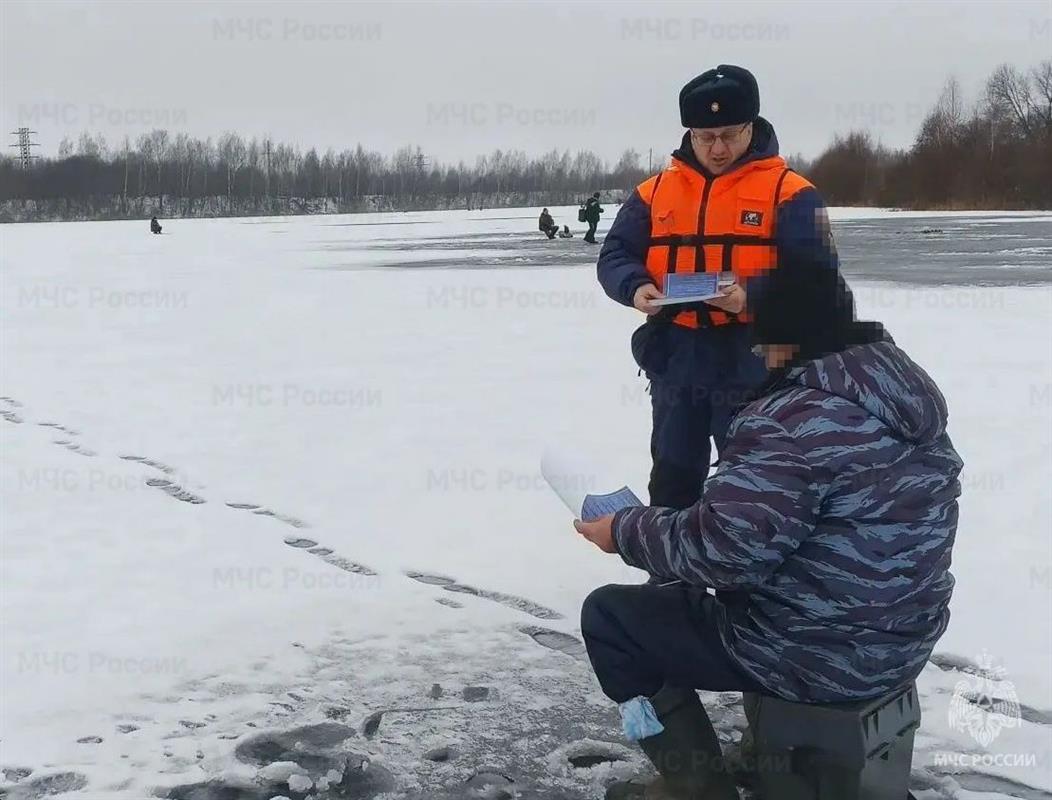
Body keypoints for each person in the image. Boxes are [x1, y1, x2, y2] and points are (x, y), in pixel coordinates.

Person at [574, 257, 963, 799]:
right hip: (904, 641)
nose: (756, 349)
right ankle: (771, 753)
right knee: (751, 593)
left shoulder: (789, 420)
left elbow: (723, 552)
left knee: (613, 618)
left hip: (820, 654)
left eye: (762, 334)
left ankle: (696, 787)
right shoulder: (902, 395)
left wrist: (623, 531)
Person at [597, 65, 839, 511]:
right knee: (672, 474)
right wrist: (635, 288)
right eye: (705, 136)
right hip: (677, 355)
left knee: (753, 478)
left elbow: (819, 279)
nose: (718, 148)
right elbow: (614, 254)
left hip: (756, 359)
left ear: (753, 127)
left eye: (730, 134)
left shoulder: (791, 192)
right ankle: (671, 575)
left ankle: (745, 579)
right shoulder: (653, 192)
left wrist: (753, 296)